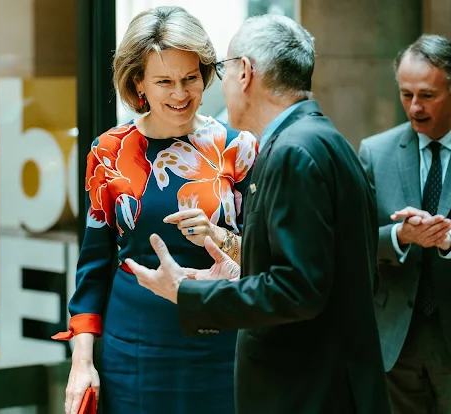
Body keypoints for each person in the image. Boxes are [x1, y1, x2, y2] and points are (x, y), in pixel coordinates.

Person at [125, 14, 392, 413]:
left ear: (245, 72)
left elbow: (296, 290)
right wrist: (241, 268)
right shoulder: (322, 138)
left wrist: (187, 292)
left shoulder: (292, 152)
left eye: (222, 70)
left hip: (307, 391)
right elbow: (317, 271)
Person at [52, 6, 258, 414]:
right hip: (134, 347)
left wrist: (220, 237)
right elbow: (93, 267)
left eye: (190, 78)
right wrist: (81, 362)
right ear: (138, 82)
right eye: (164, 81)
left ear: (205, 74)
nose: (180, 94)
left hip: (221, 341)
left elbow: (265, 256)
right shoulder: (109, 150)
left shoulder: (240, 148)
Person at [359, 34, 451, 413]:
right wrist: (399, 236)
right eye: (406, 94)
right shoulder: (374, 152)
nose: (414, 108)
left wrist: (448, 241)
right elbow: (355, 240)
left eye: (427, 95)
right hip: (395, 343)